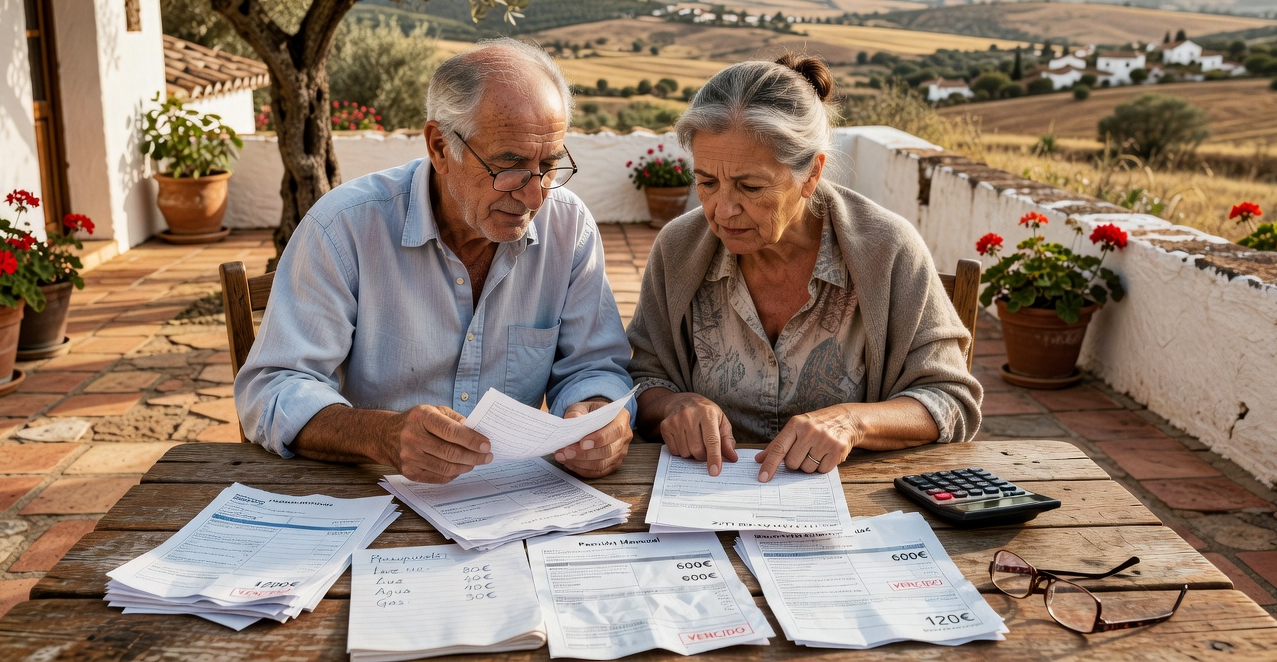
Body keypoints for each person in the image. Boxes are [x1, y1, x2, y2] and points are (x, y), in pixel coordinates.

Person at [236, 39, 635, 482]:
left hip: (510, 504)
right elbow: (272, 389)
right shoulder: (345, 226)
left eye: (549, 164)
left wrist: (597, 415)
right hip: (374, 493)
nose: (535, 193)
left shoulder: (569, 227)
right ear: (440, 146)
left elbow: (595, 367)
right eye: (510, 165)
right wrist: (382, 435)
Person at [627, 54, 982, 483]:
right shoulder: (678, 249)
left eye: (750, 186)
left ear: (811, 173)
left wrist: (853, 422)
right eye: (706, 182)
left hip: (854, 506)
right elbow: (643, 380)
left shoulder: (888, 249)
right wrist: (673, 406)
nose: (722, 209)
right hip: (704, 502)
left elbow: (950, 399)